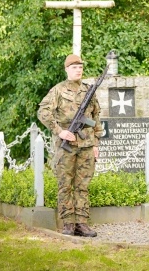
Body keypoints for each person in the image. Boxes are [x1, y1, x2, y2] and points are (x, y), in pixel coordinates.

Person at [38, 54, 103, 237]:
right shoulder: (58, 90)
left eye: (80, 67)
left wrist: (96, 143)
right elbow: (43, 112)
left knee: (83, 185)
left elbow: (96, 117)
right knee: (65, 184)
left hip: (87, 145)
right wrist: (59, 131)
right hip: (66, 145)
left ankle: (82, 224)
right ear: (67, 69)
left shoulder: (89, 90)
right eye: (74, 67)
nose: (78, 70)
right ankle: (68, 223)